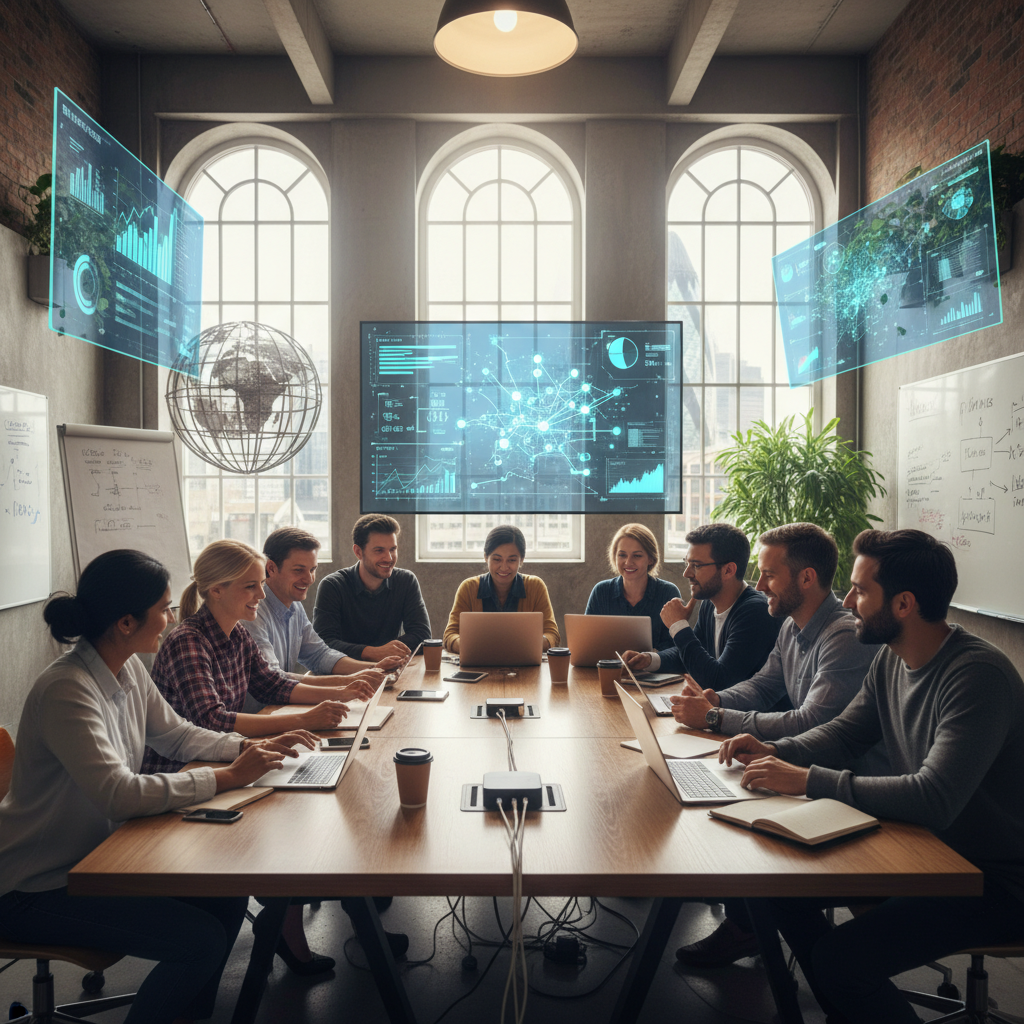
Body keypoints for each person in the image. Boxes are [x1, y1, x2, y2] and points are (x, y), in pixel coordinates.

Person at [718, 529, 1024, 1024]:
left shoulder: (977, 676)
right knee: (776, 887)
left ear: (903, 604)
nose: (847, 602)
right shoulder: (892, 657)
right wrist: (774, 750)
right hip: (922, 848)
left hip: (992, 880)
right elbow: (845, 734)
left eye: (860, 590)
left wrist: (807, 780)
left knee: (841, 961)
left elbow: (933, 798)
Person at [0, 550, 312, 1024]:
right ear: (126, 622)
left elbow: (178, 734)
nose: (171, 618)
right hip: (35, 887)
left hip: (98, 861)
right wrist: (228, 776)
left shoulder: (125, 668)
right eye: (164, 608)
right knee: (199, 942)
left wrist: (249, 746)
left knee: (226, 896)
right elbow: (118, 794)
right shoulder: (68, 689)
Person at [673, 522, 885, 968]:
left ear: (806, 578)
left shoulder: (843, 635)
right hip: (816, 771)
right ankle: (756, 931)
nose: (758, 584)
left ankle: (761, 936)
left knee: (742, 830)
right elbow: (764, 685)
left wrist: (715, 718)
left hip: (851, 787)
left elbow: (814, 721)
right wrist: (718, 700)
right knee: (729, 808)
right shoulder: (791, 626)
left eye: (769, 574)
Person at [142, 539, 358, 975]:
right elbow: (211, 719)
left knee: (299, 813)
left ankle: (281, 923)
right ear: (216, 590)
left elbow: (271, 684)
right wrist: (303, 720)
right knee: (289, 822)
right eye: (251, 586)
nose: (262, 594)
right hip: (185, 774)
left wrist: (340, 692)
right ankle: (282, 926)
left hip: (223, 760)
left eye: (260, 584)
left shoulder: (236, 632)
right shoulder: (187, 640)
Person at [241, 526, 404, 712]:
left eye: (312, 569)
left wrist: (373, 669)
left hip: (280, 711)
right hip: (258, 719)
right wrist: (347, 683)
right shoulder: (252, 612)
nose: (309, 579)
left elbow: (319, 654)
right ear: (271, 568)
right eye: (299, 570)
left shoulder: (294, 605)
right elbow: (273, 678)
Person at [620, 523, 781, 688]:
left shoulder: (755, 612)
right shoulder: (709, 604)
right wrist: (648, 660)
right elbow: (688, 656)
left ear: (728, 570)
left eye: (696, 566)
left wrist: (678, 626)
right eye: (687, 563)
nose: (686, 573)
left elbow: (718, 681)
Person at [313, 514, 431, 662]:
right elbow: (324, 644)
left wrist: (385, 652)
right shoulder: (333, 586)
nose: (389, 558)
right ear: (358, 552)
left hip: (390, 667)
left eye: (392, 549)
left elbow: (422, 635)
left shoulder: (406, 581)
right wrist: (373, 652)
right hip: (345, 670)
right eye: (379, 550)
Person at [443, 524, 560, 653]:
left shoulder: (535, 587)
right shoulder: (469, 588)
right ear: (486, 557)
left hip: (523, 661)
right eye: (497, 559)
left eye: (512, 560)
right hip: (478, 659)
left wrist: (527, 643)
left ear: (521, 560)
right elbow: (450, 635)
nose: (504, 567)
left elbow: (552, 635)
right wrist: (471, 646)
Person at [584, 523, 681, 650]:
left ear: (651, 559)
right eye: (622, 555)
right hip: (609, 663)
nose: (628, 562)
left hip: (655, 664)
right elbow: (587, 642)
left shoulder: (668, 593)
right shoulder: (601, 592)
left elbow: (677, 648)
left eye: (637, 555)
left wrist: (650, 658)